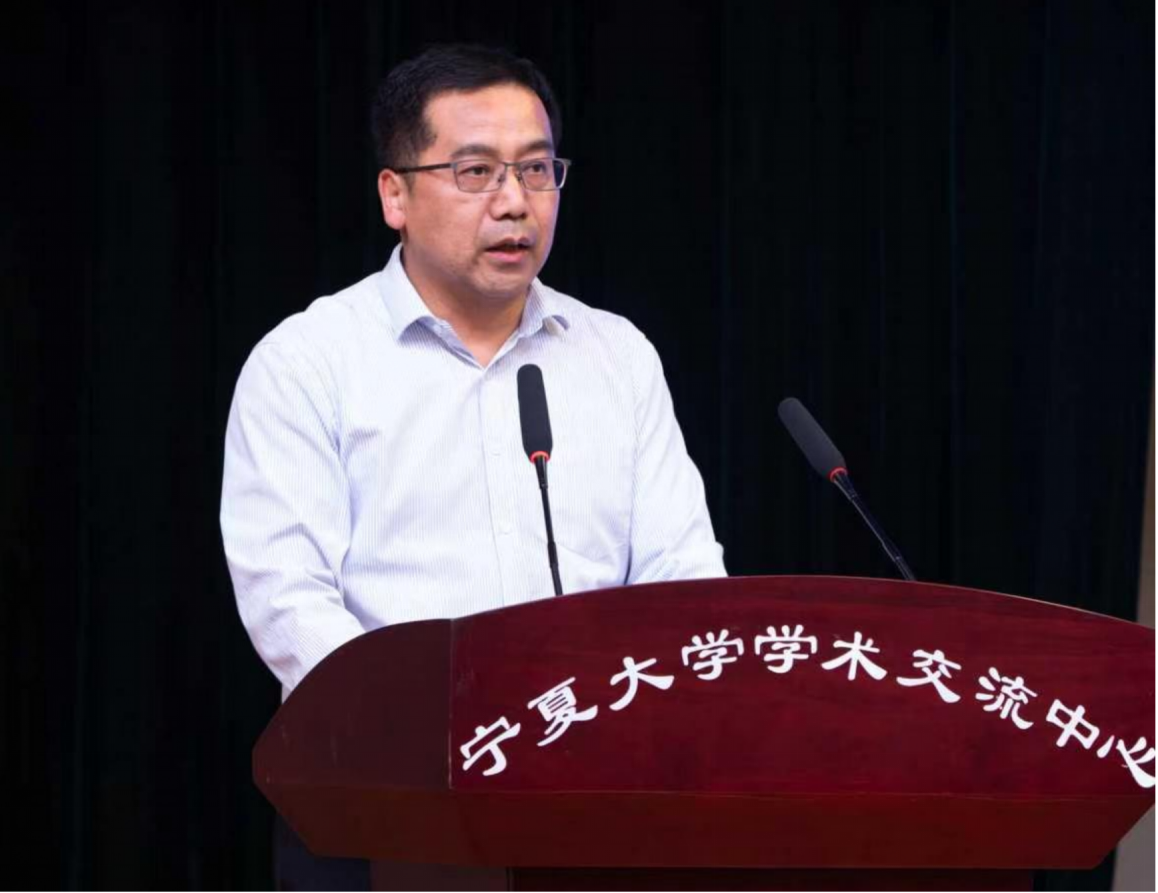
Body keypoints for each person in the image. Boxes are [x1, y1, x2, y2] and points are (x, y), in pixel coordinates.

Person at [220, 43, 726, 892]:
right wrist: (447, 740)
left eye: (536, 170)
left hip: (597, 801)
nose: (514, 202)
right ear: (395, 195)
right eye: (475, 171)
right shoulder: (308, 361)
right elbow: (290, 602)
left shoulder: (618, 355)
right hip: (383, 805)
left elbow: (684, 579)